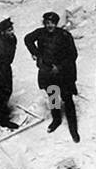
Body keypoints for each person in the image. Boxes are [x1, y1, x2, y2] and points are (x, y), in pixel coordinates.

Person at [24, 11, 79, 143]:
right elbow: (27, 39)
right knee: (53, 97)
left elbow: (73, 55)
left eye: (53, 23)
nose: (50, 26)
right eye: (47, 23)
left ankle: (73, 128)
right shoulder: (40, 33)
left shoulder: (65, 35)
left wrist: (59, 67)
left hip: (64, 74)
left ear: (56, 23)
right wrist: (36, 54)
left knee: (67, 99)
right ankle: (56, 120)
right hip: (48, 73)